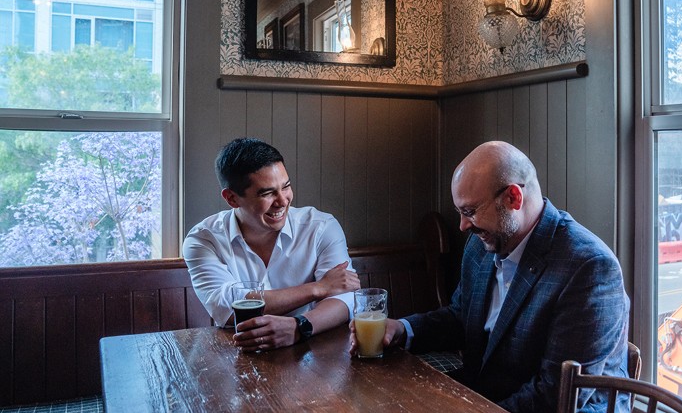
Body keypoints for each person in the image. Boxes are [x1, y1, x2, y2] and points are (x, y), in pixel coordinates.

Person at [351, 141, 630, 412]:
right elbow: (462, 318)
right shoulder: (483, 243)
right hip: (486, 393)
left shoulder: (589, 267)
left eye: (470, 212)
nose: (461, 226)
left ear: (513, 197)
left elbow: (554, 395)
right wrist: (402, 329)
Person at [184, 138, 360, 352]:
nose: (283, 201)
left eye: (285, 187)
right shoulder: (203, 240)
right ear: (232, 198)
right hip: (238, 352)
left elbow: (344, 297)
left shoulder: (321, 227)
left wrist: (299, 326)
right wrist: (318, 288)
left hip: (313, 349)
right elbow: (226, 306)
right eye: (267, 193)